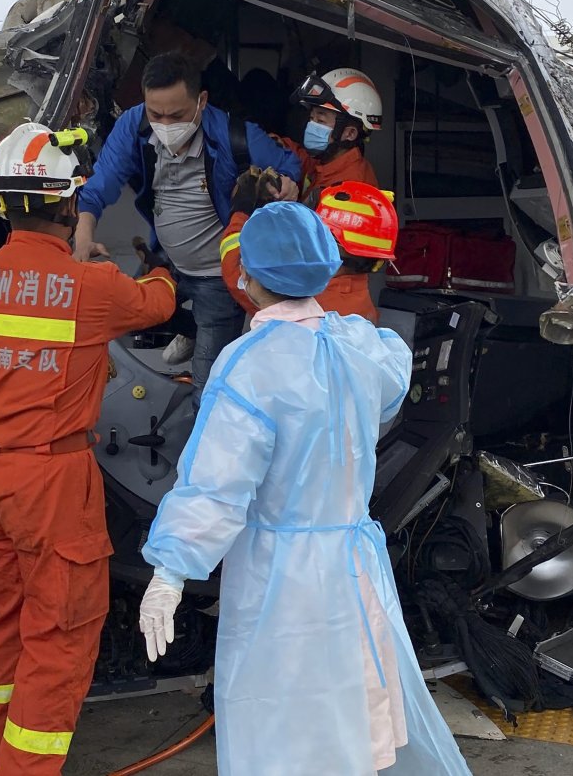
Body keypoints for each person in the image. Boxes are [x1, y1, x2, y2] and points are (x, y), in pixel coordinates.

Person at [137, 203, 473, 776]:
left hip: (280, 576)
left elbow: (217, 486)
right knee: (355, 708)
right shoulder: (365, 345)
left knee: (284, 724)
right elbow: (389, 397)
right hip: (353, 564)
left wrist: (170, 571)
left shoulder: (249, 366)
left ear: (250, 275)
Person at [0, 123, 176, 775]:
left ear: (3, 201)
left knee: (6, 619)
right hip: (52, 482)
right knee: (61, 634)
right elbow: (160, 303)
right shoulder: (91, 287)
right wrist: (153, 261)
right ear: (67, 201)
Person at [72, 52, 300, 388]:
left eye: (176, 115)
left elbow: (289, 165)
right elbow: (98, 186)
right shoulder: (133, 126)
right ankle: (191, 328)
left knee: (208, 382)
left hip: (217, 276)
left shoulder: (236, 136)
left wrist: (289, 182)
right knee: (126, 317)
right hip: (166, 263)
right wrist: (83, 235)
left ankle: (205, 352)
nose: (165, 125)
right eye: (156, 114)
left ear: (201, 101)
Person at [221, 180, 398, 322]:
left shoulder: (308, 296)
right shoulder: (356, 296)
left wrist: (241, 212)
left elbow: (239, 271)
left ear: (331, 244)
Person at [285, 66, 384, 196]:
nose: (311, 126)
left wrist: (288, 205)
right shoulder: (326, 160)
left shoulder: (352, 189)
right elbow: (297, 156)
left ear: (349, 133)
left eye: (320, 121)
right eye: (311, 118)